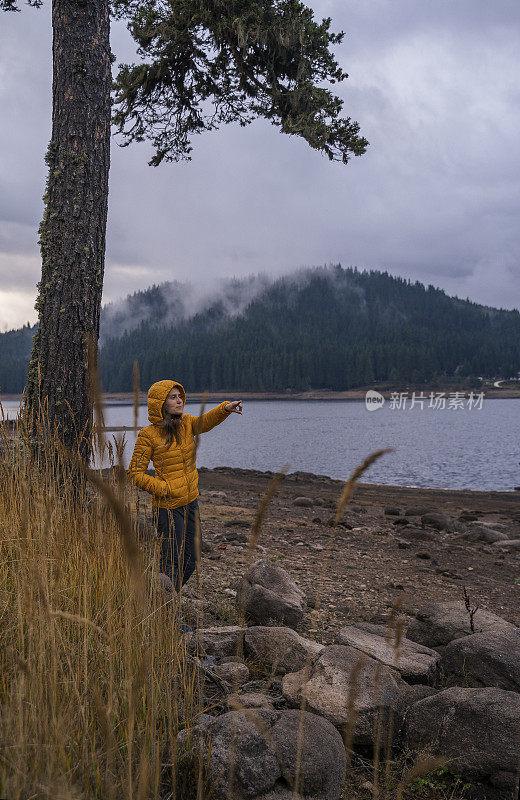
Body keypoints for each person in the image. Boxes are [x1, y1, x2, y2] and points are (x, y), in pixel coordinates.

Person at [127, 379, 242, 596]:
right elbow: (134, 473)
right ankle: (165, 615)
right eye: (173, 397)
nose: (179, 401)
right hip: (167, 508)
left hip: (191, 503)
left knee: (192, 559)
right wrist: (164, 489)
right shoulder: (148, 435)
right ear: (160, 403)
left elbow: (206, 420)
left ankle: (163, 601)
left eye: (180, 396)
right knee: (170, 564)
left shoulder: (187, 424)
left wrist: (225, 408)